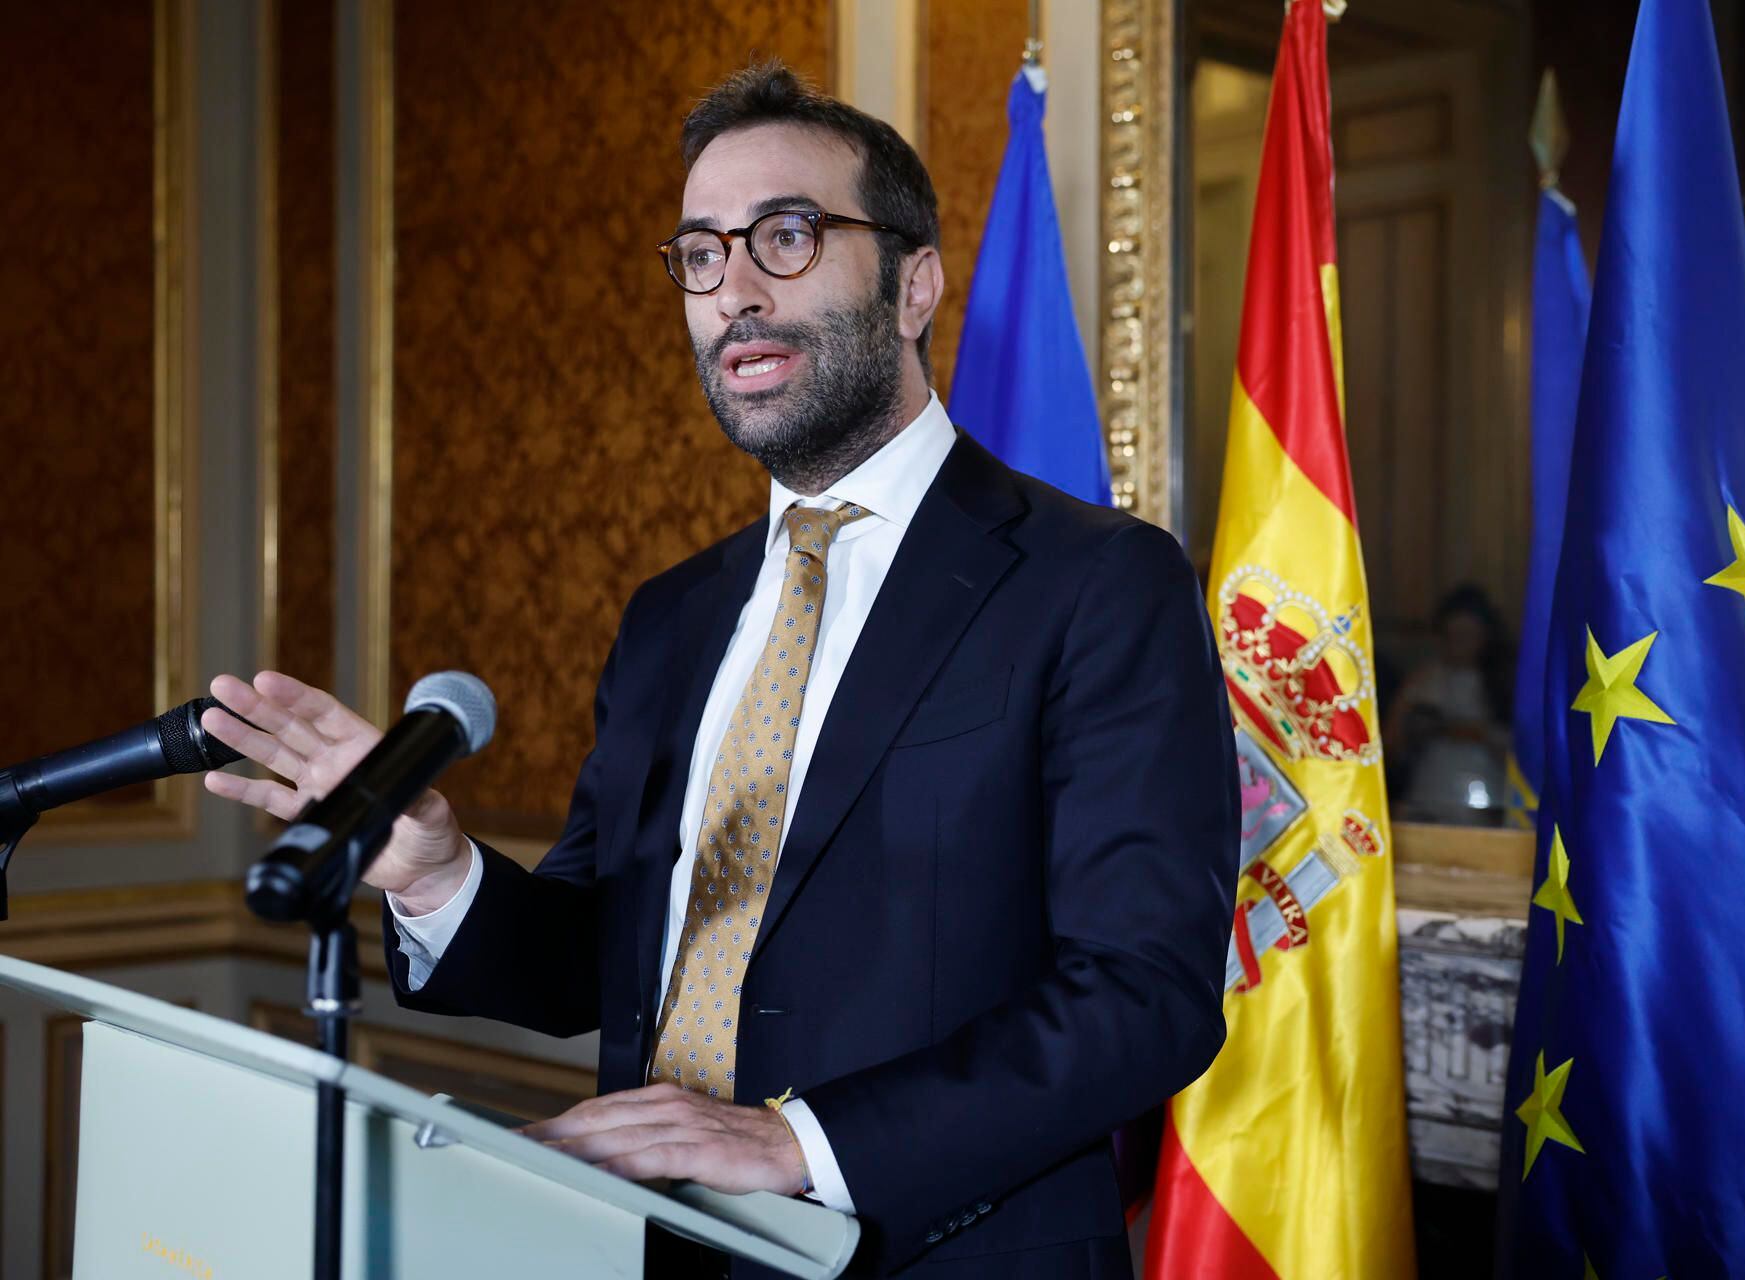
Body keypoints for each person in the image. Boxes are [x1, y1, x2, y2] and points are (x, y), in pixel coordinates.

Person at [201, 62, 1237, 1279]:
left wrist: (794, 1140)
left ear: (916, 284)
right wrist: (437, 877)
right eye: (699, 254)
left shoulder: (1097, 580)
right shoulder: (673, 617)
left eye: (784, 237)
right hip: (659, 1250)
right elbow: (601, 953)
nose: (733, 290)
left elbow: (1143, 992)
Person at [1384, 583, 1514, 825]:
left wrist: (1470, 732)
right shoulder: (1424, 680)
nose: (1459, 644)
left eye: (1468, 636)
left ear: (1486, 636)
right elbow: (1391, 745)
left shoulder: (1503, 683)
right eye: (1453, 636)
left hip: (1485, 800)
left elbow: (1520, 750)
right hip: (1427, 799)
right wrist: (1410, 718)